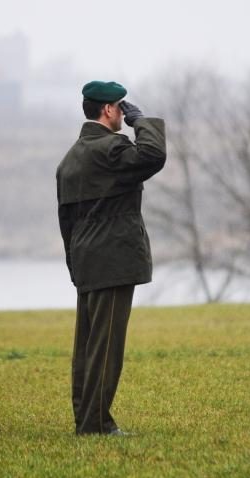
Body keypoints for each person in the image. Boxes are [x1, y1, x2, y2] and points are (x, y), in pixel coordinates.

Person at [56, 81, 167, 435]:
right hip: (113, 258)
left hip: (86, 258)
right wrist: (141, 122)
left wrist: (75, 264)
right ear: (108, 110)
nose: (123, 112)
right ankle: (96, 423)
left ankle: (85, 417)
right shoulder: (111, 148)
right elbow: (153, 155)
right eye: (122, 107)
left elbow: (66, 221)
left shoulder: (70, 158)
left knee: (87, 345)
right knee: (106, 347)